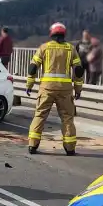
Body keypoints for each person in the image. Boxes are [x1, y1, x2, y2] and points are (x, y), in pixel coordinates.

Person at [25, 23, 84, 156]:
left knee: (39, 115)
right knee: (67, 118)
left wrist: (29, 84)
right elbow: (78, 71)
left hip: (47, 88)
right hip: (65, 90)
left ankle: (32, 145)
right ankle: (70, 148)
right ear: (64, 34)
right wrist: (78, 88)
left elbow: (33, 67)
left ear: (51, 33)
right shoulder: (71, 49)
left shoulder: (44, 48)